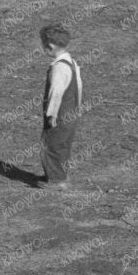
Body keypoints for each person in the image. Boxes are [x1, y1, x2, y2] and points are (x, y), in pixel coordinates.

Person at [39, 23, 84, 188]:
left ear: (50, 47)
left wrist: (51, 115)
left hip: (59, 114)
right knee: (63, 145)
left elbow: (56, 94)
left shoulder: (58, 68)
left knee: (51, 146)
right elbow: (78, 85)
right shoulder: (71, 62)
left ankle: (56, 181)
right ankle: (61, 176)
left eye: (44, 46)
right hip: (71, 113)